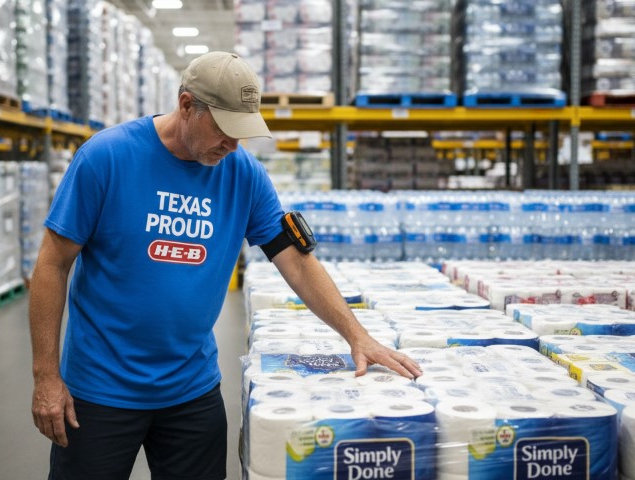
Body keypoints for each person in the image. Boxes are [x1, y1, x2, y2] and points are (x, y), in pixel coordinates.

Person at [29, 51, 422, 480]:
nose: (233, 145)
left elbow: (297, 262)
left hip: (190, 390)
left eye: (243, 133)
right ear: (186, 106)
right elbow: (52, 265)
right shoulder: (106, 157)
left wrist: (357, 335)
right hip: (100, 392)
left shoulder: (243, 174)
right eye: (225, 130)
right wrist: (46, 376)